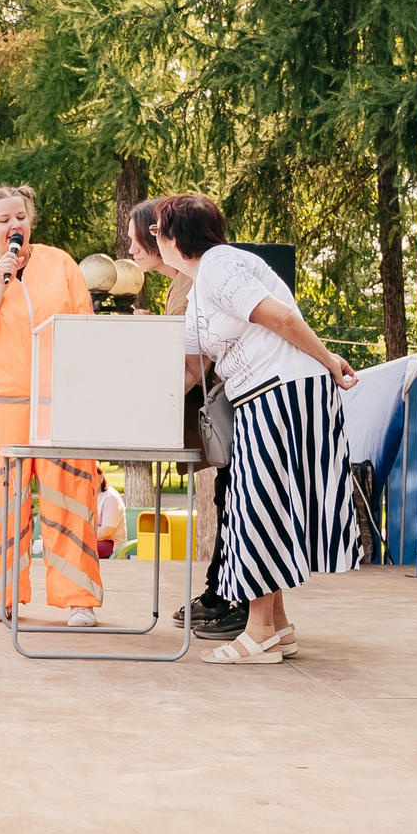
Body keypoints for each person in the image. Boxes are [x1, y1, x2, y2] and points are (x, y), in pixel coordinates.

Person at [149, 195, 369, 664]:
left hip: (282, 391)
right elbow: (191, 368)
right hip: (263, 395)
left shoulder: (218, 266)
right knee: (261, 508)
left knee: (257, 510)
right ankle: (278, 628)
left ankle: (259, 633)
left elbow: (283, 318)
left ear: (174, 236)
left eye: (156, 231)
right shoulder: (199, 286)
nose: (153, 240)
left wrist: (330, 361)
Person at [0, 185, 105, 626]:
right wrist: (0, 283)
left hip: (59, 404)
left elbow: (83, 327)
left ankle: (78, 600)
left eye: (21, 217)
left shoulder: (60, 263)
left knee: (71, 499)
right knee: (0, 503)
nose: (15, 226)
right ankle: (1, 595)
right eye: (4, 220)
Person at [128, 198, 245, 639]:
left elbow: (191, 357)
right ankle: (222, 592)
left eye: (142, 234)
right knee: (228, 500)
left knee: (235, 504)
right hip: (232, 405)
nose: (134, 245)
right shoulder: (185, 283)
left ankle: (232, 599)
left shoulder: (198, 279)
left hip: (236, 406)